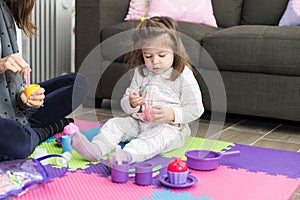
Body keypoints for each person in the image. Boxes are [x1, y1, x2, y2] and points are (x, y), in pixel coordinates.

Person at [72, 16, 204, 164]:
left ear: (175, 50)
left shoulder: (182, 74)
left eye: (162, 55)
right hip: (140, 122)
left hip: (170, 128)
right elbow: (126, 103)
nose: (155, 61)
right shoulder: (142, 72)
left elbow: (196, 108)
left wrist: (171, 113)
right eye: (148, 56)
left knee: (153, 139)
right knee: (114, 124)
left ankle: (126, 157)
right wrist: (132, 103)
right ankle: (96, 149)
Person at [0, 0, 89, 161]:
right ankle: (43, 130)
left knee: (79, 83)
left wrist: (23, 98)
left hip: (12, 109)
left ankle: (27, 126)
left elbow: (11, 82)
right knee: (19, 142)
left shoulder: (6, 10)